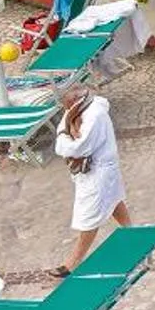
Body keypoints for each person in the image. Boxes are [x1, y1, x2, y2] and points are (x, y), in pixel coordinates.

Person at [52, 83, 130, 275]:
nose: (64, 109)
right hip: (94, 171)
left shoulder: (94, 115)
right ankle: (131, 232)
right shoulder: (77, 109)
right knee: (113, 200)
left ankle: (72, 263)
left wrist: (63, 139)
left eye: (66, 104)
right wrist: (64, 133)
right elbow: (64, 124)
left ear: (74, 100)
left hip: (99, 172)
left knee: (89, 216)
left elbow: (79, 147)